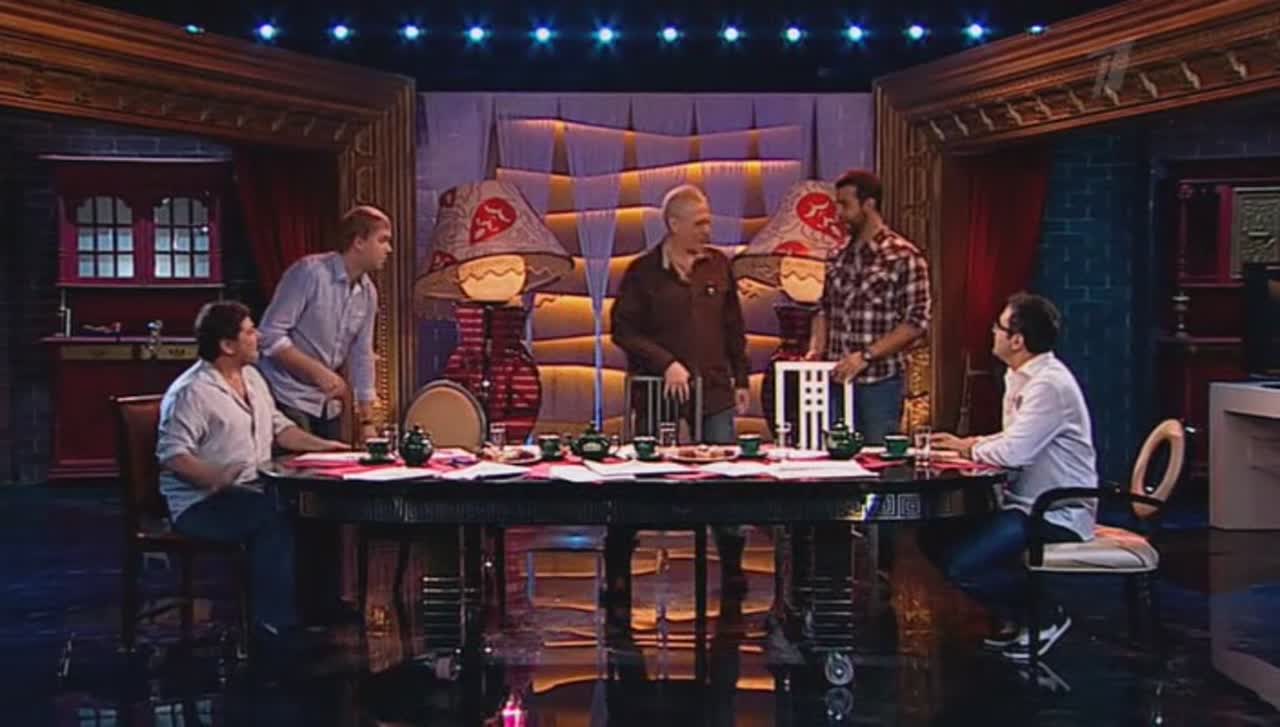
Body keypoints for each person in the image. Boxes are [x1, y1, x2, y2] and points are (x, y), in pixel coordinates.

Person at [157, 301, 347, 654]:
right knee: (271, 517)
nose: (258, 336)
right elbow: (172, 455)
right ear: (227, 345)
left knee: (311, 509)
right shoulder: (192, 392)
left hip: (252, 489)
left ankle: (318, 610)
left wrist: (328, 448)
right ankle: (273, 625)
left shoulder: (254, 378)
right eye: (249, 331)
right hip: (203, 502)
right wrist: (215, 477)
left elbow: (280, 429)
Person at [608, 184, 752, 629]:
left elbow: (733, 326)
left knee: (726, 478)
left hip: (714, 387)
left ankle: (732, 566)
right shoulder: (643, 273)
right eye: (700, 222)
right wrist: (665, 362)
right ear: (674, 224)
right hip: (660, 389)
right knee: (642, 477)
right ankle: (618, 565)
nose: (708, 229)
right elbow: (623, 331)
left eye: (709, 221)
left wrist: (741, 378)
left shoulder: (719, 266)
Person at [926, 292, 1098, 661]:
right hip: (1021, 503)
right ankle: (1018, 617)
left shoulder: (1048, 385)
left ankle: (1044, 615)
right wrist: (968, 443)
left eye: (999, 327)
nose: (993, 332)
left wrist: (967, 450)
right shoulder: (1020, 377)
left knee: (963, 564)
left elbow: (1014, 453)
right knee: (933, 533)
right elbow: (1012, 438)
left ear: (1017, 340)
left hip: (1053, 511)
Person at [806, 169, 931, 445]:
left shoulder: (903, 257)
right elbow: (823, 309)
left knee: (877, 458)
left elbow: (916, 322)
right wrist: (816, 350)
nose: (838, 214)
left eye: (845, 205)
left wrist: (865, 356)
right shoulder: (837, 255)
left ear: (869, 205)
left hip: (879, 383)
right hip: (837, 380)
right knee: (832, 457)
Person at [257, 205, 393, 442]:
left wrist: (367, 422)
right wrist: (316, 371)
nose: (388, 249)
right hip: (285, 396)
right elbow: (269, 334)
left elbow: (362, 355)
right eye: (382, 240)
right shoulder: (310, 273)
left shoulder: (368, 293)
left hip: (327, 404)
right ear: (359, 242)